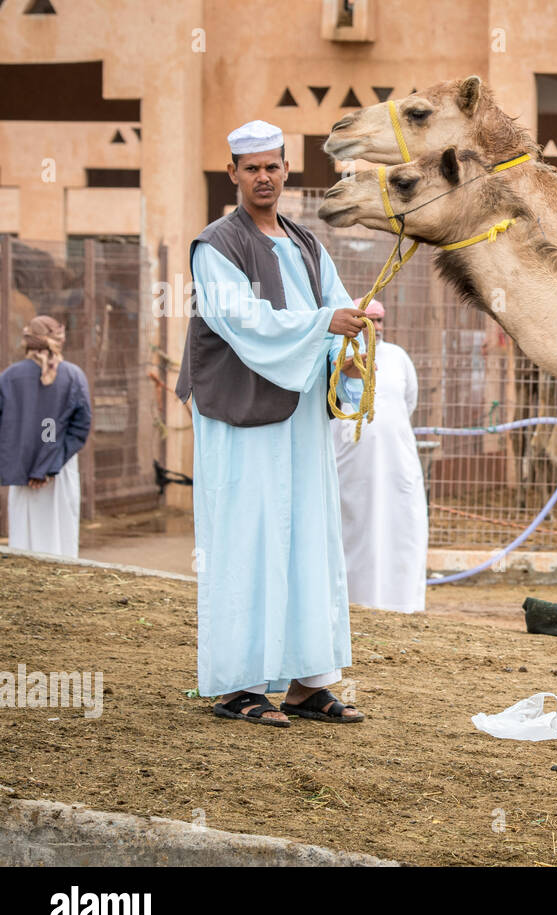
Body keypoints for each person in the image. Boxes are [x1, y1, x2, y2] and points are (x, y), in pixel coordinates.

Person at [175, 119, 372, 727]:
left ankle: (307, 684)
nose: (263, 177)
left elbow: (334, 307)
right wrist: (324, 326)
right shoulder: (217, 246)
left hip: (298, 420)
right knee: (247, 539)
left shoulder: (307, 243)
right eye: (251, 167)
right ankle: (238, 685)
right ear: (233, 173)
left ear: (287, 169)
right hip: (241, 421)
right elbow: (244, 322)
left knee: (307, 539)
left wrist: (356, 328)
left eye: (273, 166)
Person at [331, 298, 429, 613]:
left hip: (396, 464)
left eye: (380, 320)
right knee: (353, 528)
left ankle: (402, 603)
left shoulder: (398, 357)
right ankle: (353, 601)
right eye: (369, 320)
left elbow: (409, 402)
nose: (376, 327)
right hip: (350, 466)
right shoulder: (339, 356)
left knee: (401, 529)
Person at [0, 315, 92, 557]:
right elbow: (78, 427)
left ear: (28, 342)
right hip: (59, 475)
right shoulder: (73, 376)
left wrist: (26, 465)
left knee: (24, 542)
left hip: (23, 477)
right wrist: (48, 466)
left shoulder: (9, 377)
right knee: (60, 540)